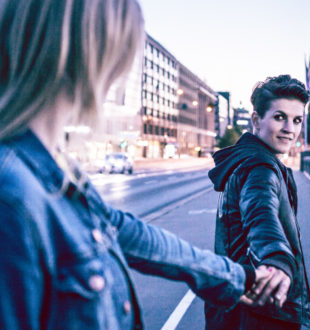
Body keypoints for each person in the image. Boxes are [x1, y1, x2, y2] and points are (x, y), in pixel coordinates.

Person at [0, 1, 273, 329]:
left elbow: (134, 235)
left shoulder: (57, 171)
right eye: (123, 51)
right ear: (92, 51)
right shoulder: (13, 194)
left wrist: (237, 276)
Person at [205, 75, 310, 329]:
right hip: (267, 313)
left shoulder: (247, 161)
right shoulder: (260, 168)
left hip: (240, 308)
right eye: (279, 117)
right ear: (256, 120)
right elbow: (260, 214)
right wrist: (276, 258)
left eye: (297, 120)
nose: (290, 128)